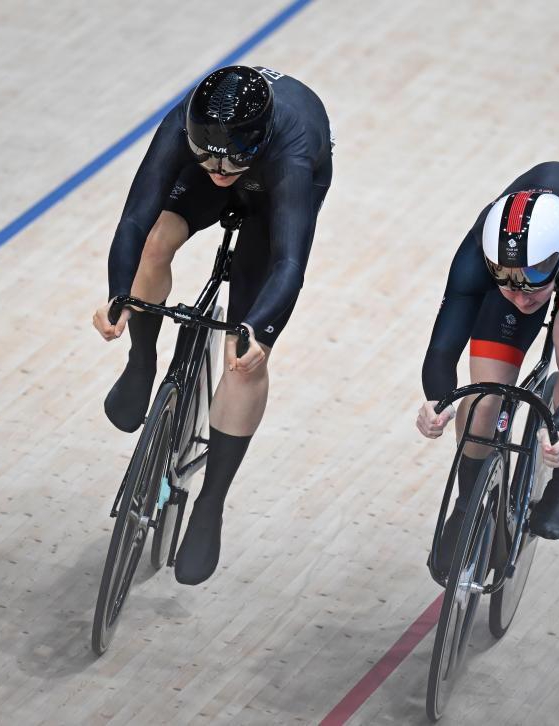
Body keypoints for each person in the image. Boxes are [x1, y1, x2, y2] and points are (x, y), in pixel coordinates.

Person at [92, 65, 333, 585]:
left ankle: (211, 503)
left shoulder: (290, 148)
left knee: (243, 361)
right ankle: (142, 361)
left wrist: (260, 331)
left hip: (275, 188)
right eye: (207, 155)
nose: (220, 169)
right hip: (231, 160)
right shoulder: (185, 125)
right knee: (155, 243)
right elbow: (134, 218)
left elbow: (290, 263)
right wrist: (118, 294)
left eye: (230, 159)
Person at [415, 161, 559, 568]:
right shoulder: (480, 252)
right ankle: (467, 508)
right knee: (484, 398)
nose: (520, 297)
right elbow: (442, 347)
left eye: (534, 279)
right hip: (530, 243)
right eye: (505, 280)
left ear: (554, 261)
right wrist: (438, 400)